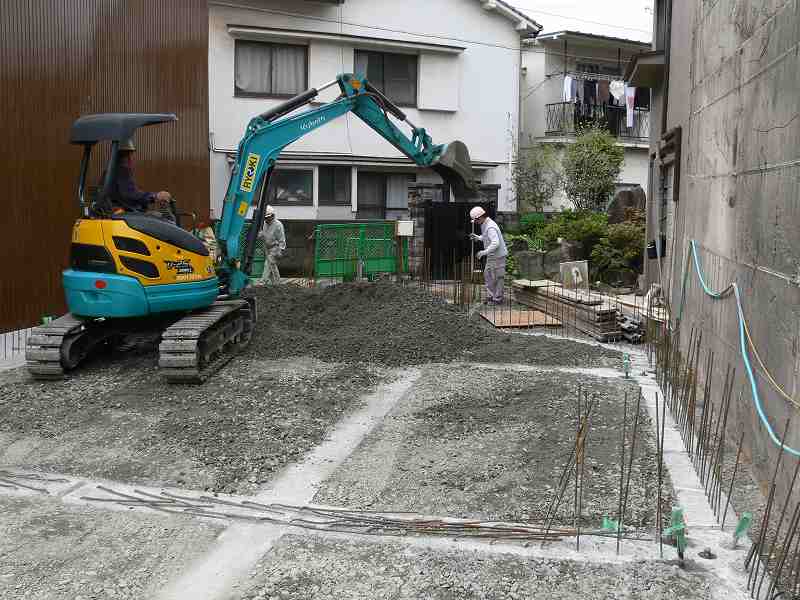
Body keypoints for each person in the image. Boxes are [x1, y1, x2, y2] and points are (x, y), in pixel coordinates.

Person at [107, 138, 172, 217]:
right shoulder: (122, 170)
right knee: (164, 218)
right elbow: (131, 195)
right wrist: (155, 196)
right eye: (130, 154)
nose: (131, 158)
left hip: (123, 210)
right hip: (126, 213)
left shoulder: (109, 171)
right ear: (126, 155)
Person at [469, 206, 508, 304]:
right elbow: (486, 237)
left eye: (476, 220)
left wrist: (483, 252)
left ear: (480, 217)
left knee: (498, 277)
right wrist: (478, 238)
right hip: (492, 255)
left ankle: (497, 299)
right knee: (488, 275)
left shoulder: (490, 226)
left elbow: (495, 243)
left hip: (498, 256)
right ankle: (491, 296)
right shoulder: (485, 224)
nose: (476, 222)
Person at [258, 205, 286, 285]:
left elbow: (282, 239)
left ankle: (262, 282)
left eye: (268, 217)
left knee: (268, 263)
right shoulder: (264, 224)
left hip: (275, 247)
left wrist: (280, 250)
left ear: (273, 216)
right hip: (266, 247)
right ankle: (277, 283)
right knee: (272, 266)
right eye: (265, 217)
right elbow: (263, 235)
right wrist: (260, 235)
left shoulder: (278, 225)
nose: (266, 219)